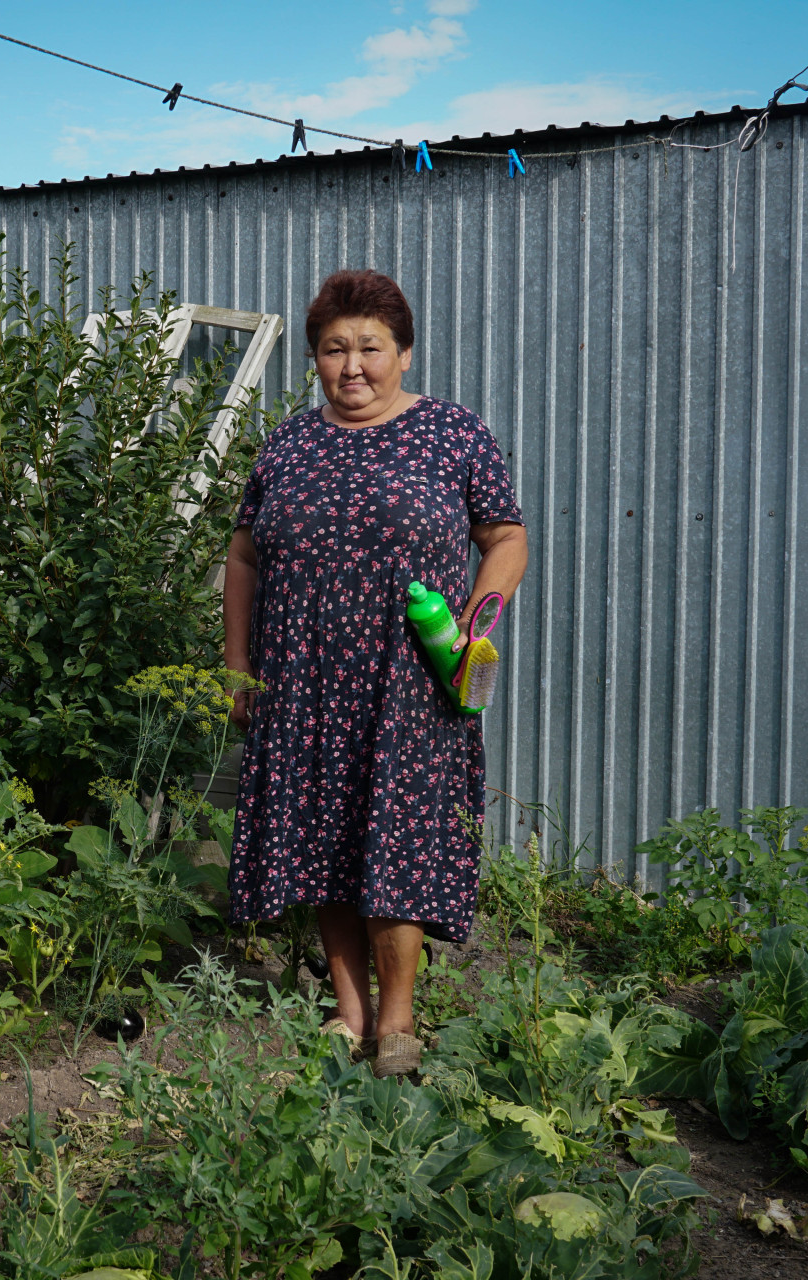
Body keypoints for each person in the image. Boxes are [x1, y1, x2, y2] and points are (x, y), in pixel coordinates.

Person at [223, 268, 529, 1078]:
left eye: (370, 347)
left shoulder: (453, 434)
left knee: (401, 840)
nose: (351, 365)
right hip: (303, 675)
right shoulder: (288, 443)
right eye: (333, 349)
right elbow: (244, 556)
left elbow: (505, 538)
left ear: (404, 353)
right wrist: (236, 664)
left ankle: (397, 1017)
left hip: (409, 682)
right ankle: (346, 1006)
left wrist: (480, 614)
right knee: (323, 836)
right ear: (315, 358)